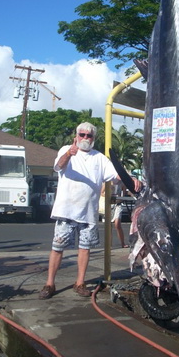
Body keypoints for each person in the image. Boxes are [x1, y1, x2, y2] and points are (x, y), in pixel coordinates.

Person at [39, 122, 140, 300]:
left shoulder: (99, 158)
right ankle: (49, 284)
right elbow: (59, 166)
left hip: (88, 213)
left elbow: (116, 174)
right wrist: (69, 154)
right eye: (82, 135)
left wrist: (130, 178)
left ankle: (80, 283)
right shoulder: (65, 150)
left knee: (84, 249)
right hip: (66, 211)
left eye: (89, 136)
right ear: (76, 136)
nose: (85, 138)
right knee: (57, 248)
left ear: (94, 138)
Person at [102, 180, 128, 248]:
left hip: (118, 204)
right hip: (109, 204)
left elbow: (124, 194)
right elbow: (101, 192)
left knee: (117, 224)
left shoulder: (122, 183)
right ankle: (109, 244)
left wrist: (120, 198)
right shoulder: (108, 182)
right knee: (108, 225)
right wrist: (107, 195)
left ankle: (122, 243)